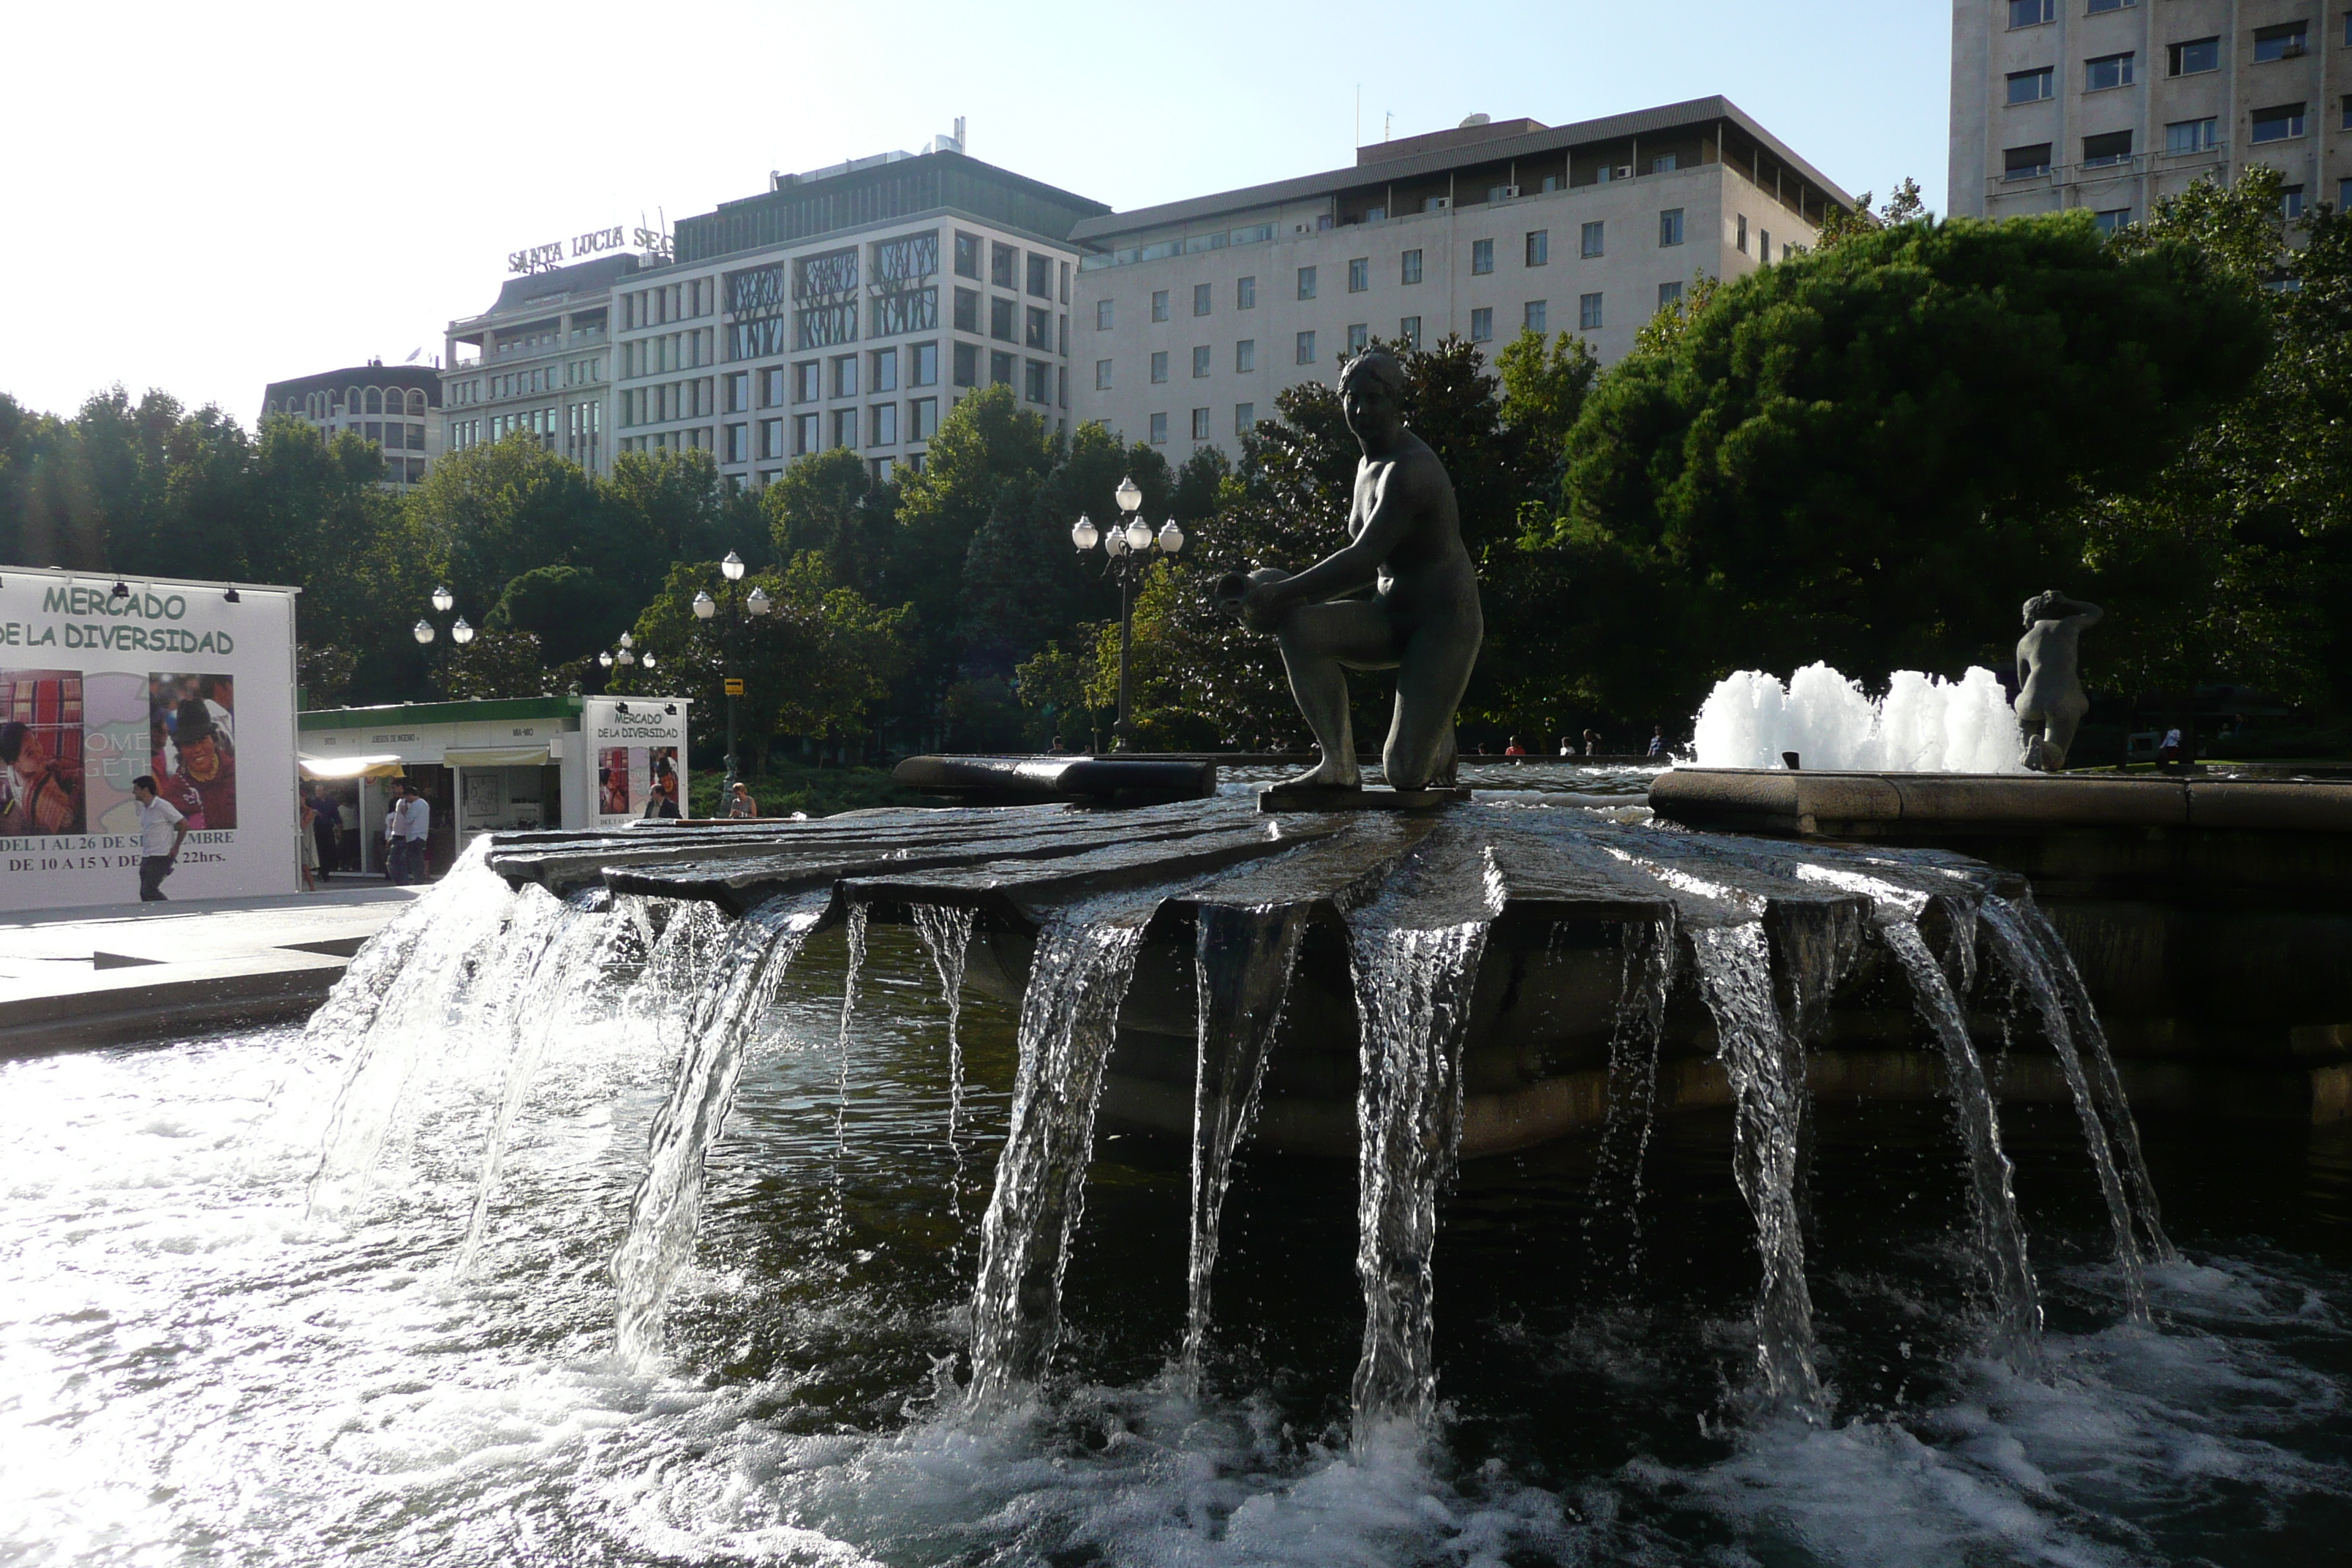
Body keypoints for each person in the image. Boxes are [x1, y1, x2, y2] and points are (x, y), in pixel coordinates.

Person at [1222, 348, 1482, 791]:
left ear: (1396, 402)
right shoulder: (1366, 465)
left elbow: (1361, 559)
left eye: (1374, 399)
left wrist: (1283, 593)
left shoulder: (1410, 470)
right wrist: (1285, 596)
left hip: (1442, 626)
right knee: (1301, 630)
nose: (1361, 410)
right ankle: (1337, 766)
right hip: (1390, 614)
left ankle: (1439, 733)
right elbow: (1370, 566)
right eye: (1352, 398)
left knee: (1403, 774)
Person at [2016, 590, 2104, 772]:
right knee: (2055, 761)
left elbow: (2022, 681)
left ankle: (2027, 751)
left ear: (2033, 614)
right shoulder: (2067, 626)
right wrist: (2068, 601)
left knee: (2027, 755)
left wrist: (2030, 700)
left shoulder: (2024, 641)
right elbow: (2096, 613)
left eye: (2025, 616)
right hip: (2062, 697)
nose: (2024, 621)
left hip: (2029, 700)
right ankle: (2041, 745)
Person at [0, 720, 83, 836]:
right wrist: (78, 785)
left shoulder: (12, 770)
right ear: (15, 763)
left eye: (36, 742)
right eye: (30, 753)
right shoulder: (40, 794)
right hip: (56, 820)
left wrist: (47, 766)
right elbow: (68, 820)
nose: (39, 751)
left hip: (34, 810)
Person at [132, 775, 186, 902]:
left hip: (162, 855)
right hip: (148, 855)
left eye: (136, 789)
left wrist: (176, 846)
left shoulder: (162, 806)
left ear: (145, 790)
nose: (133, 792)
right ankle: (154, 916)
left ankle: (170, 912)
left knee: (149, 890)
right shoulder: (144, 809)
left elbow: (183, 823)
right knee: (145, 893)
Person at [311, 787, 342, 879]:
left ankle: (328, 869)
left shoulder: (331, 802)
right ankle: (322, 872)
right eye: (316, 791)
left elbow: (335, 814)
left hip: (328, 827)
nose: (318, 793)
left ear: (324, 791)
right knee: (320, 850)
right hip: (318, 828)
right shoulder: (313, 802)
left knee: (330, 849)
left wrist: (339, 826)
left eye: (320, 791)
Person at [297, 791, 319, 893]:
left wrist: (297, 814)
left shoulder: (309, 811)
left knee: (305, 865)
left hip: (305, 839)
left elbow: (304, 824)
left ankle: (312, 888)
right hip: (297, 839)